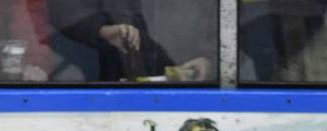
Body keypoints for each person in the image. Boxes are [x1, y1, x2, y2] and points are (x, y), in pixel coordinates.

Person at [49, 0, 210, 82]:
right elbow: (64, 12)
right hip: (108, 93)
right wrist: (101, 30)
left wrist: (210, 60)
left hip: (190, 93)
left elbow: (223, 27)